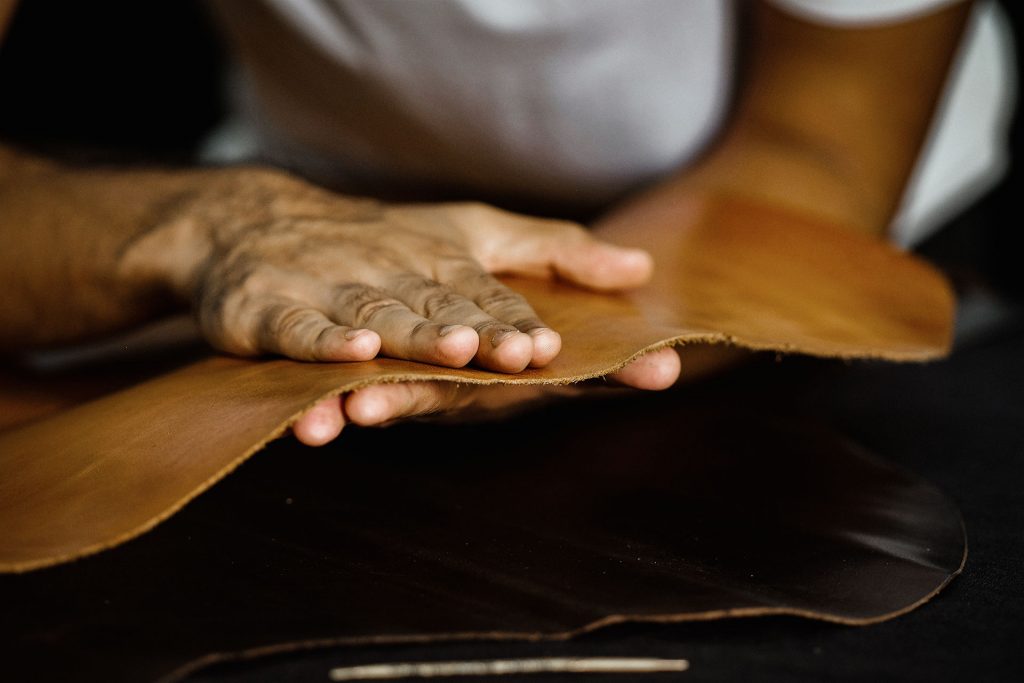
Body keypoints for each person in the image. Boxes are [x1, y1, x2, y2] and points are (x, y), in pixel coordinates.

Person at [0, 0, 1008, 445]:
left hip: (787, 228)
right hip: (314, 221)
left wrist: (531, 336)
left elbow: (815, 143)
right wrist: (215, 223)